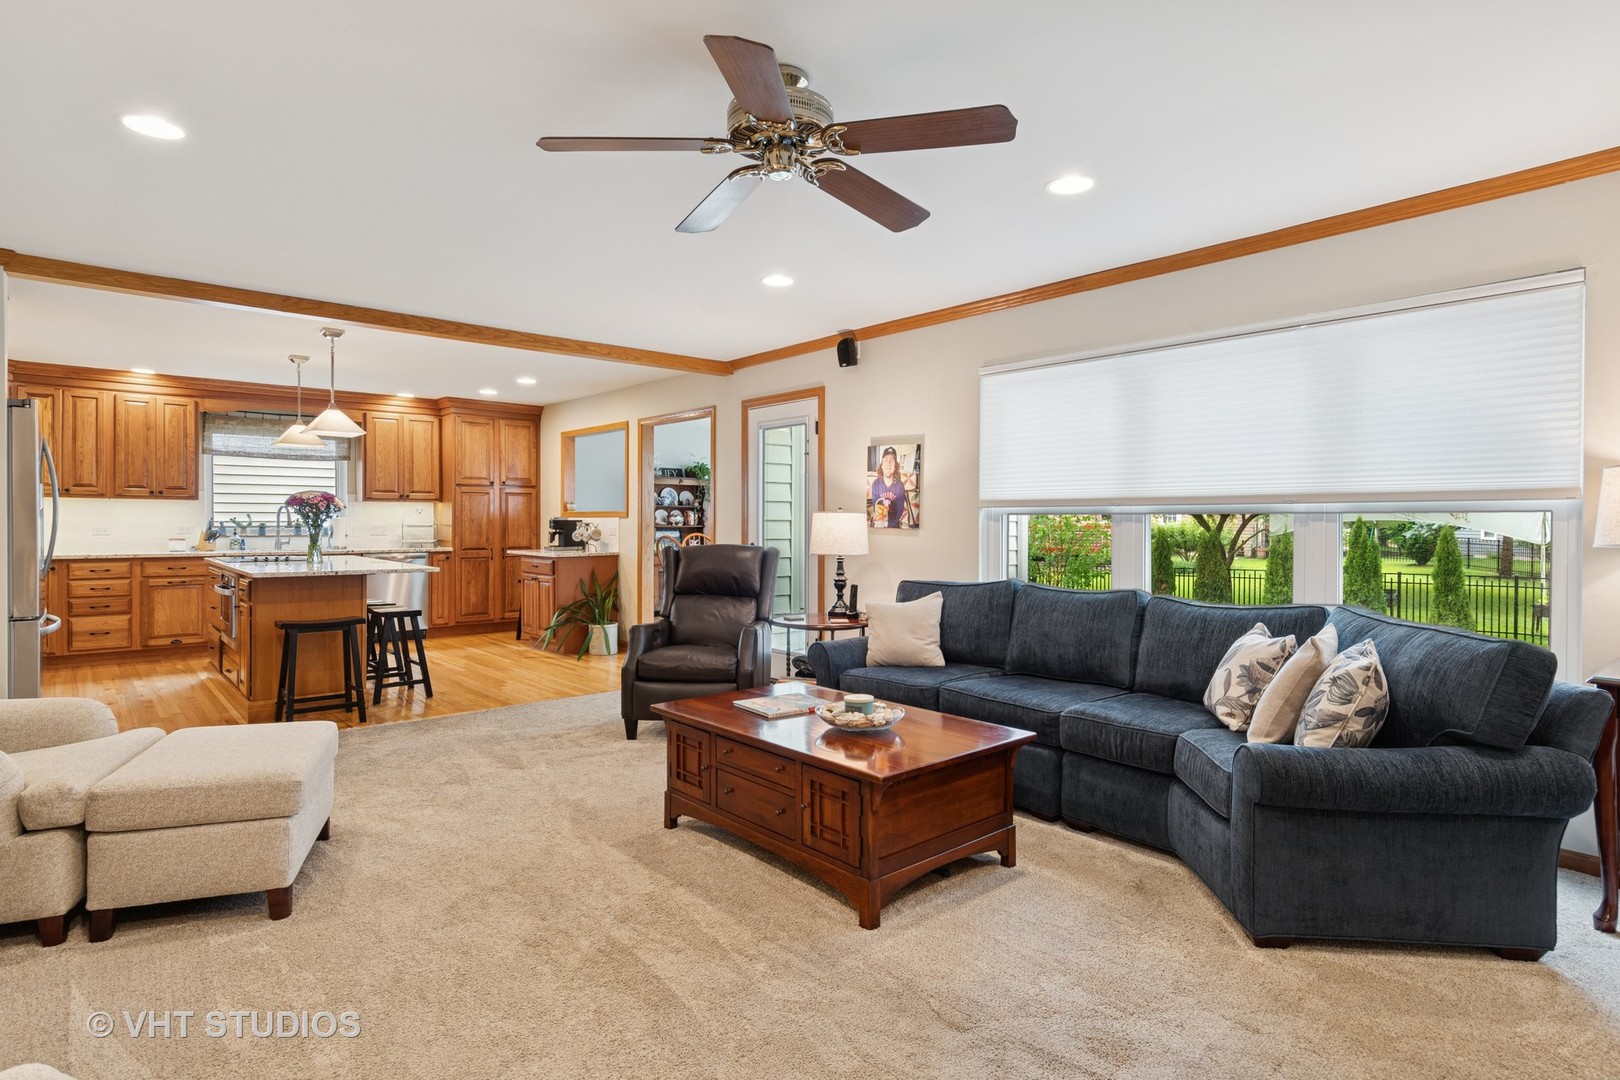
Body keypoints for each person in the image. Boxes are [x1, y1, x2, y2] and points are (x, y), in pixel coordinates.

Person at [870, 446, 909, 528]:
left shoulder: (900, 486)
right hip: (879, 524)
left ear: (895, 466)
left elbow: (899, 512)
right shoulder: (875, 485)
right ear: (881, 465)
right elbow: (876, 509)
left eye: (892, 460)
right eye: (885, 460)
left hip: (893, 526)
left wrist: (888, 525)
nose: (888, 463)